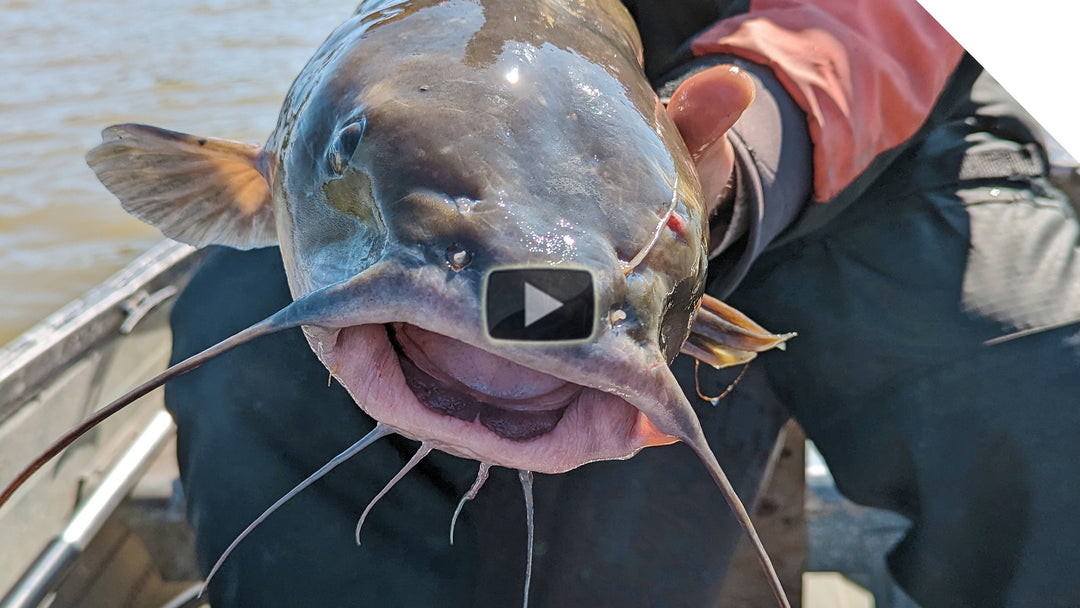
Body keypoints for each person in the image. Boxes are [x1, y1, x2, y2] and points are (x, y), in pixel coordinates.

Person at [167, 0, 1080, 606]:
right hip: (492, 136)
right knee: (241, 364)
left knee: (1048, 384)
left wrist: (748, 151)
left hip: (884, 137)